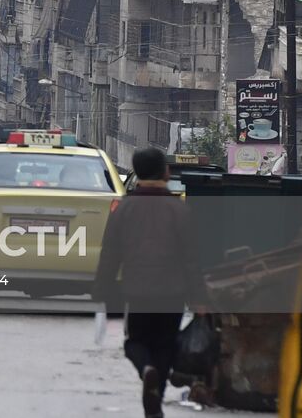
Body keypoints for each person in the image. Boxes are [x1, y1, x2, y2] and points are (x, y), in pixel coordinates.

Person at [94, 146, 207, 418]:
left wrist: (103, 287)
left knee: (135, 342)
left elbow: (111, 252)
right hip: (173, 292)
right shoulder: (178, 210)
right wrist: (199, 297)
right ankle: (154, 405)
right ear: (166, 173)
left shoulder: (124, 209)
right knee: (166, 345)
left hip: (138, 290)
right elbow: (192, 258)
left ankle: (146, 370)